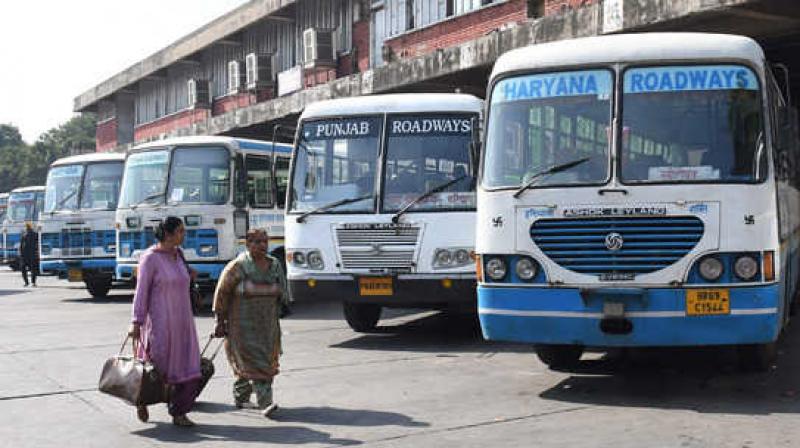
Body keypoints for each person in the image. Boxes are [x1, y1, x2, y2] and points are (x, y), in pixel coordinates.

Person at [128, 216, 201, 427]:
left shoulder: (179, 255)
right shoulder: (150, 258)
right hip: (160, 324)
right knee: (155, 369)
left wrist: (189, 276)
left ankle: (179, 412)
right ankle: (141, 400)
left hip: (183, 322)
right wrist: (136, 322)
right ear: (168, 234)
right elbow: (141, 291)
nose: (184, 234)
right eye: (180, 231)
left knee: (188, 367)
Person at [213, 228, 288, 418]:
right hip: (241, 328)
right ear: (248, 244)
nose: (262, 245)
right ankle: (264, 402)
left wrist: (283, 306)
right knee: (246, 363)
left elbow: (283, 291)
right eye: (257, 242)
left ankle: (246, 398)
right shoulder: (237, 266)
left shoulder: (274, 265)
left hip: (267, 327)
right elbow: (222, 294)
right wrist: (220, 321)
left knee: (264, 362)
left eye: (265, 241)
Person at [18, 222, 38, 287]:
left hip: (25, 255)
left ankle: (27, 282)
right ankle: (33, 282)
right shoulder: (34, 234)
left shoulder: (24, 235)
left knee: (24, 269)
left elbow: (21, 246)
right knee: (33, 269)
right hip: (31, 254)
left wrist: (20, 254)